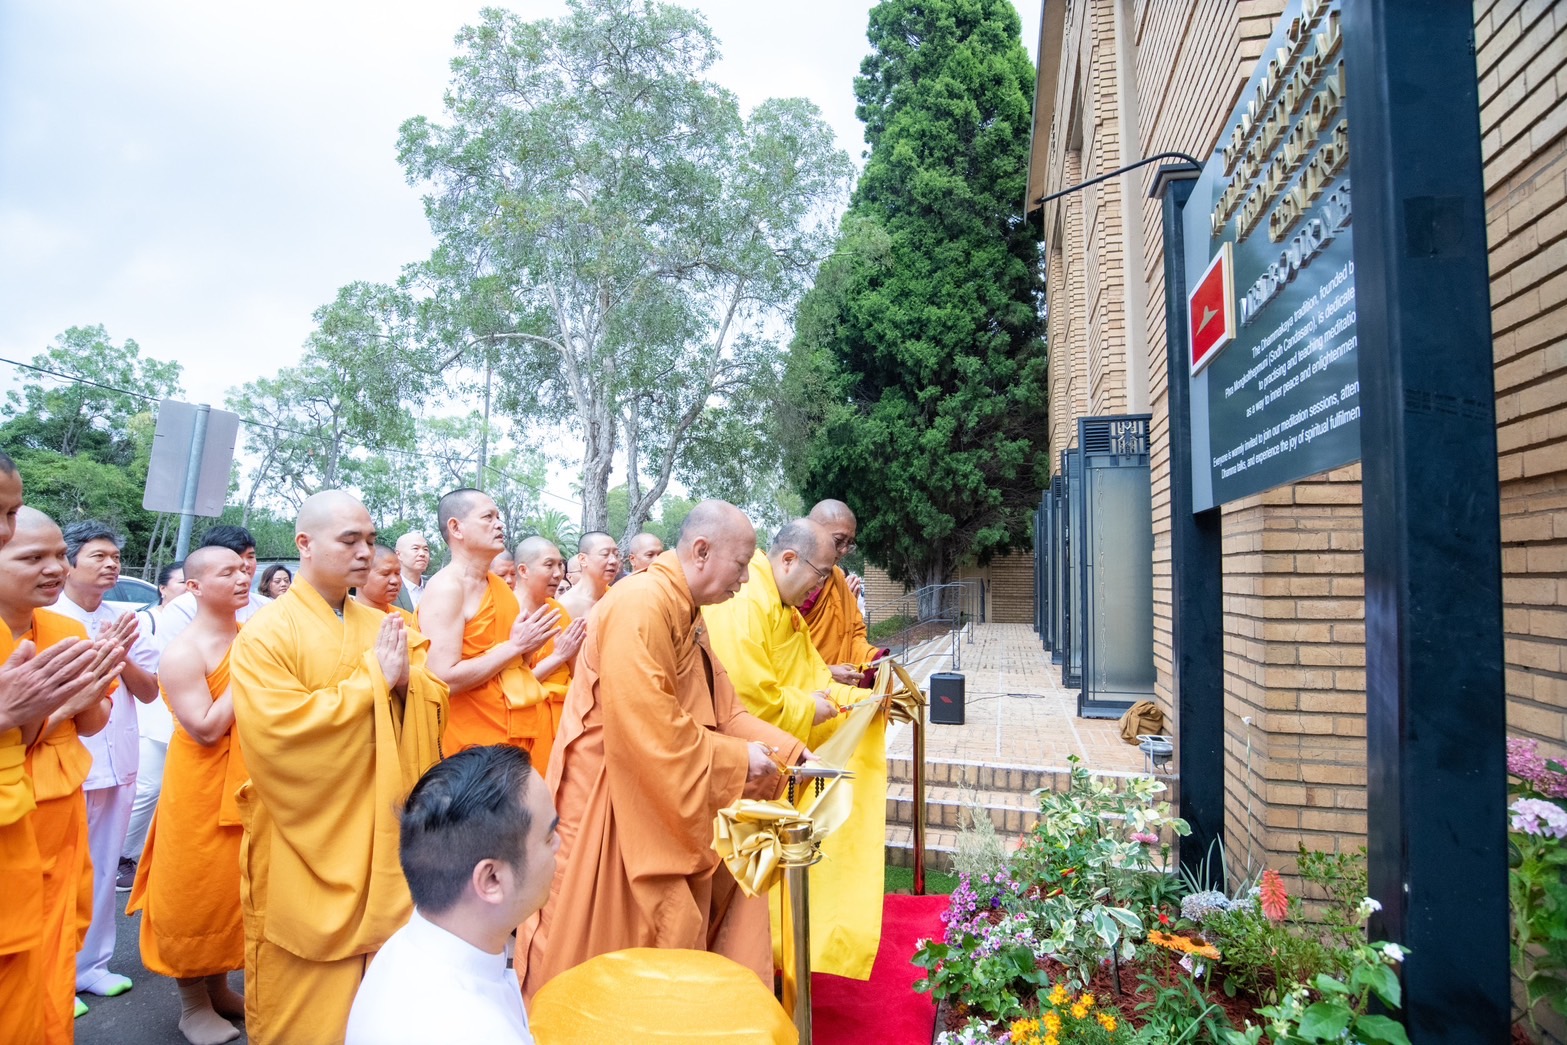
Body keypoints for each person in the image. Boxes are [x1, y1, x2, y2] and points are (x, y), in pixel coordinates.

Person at [519, 500, 808, 997]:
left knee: (659, 951)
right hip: (610, 806)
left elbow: (727, 711)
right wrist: (741, 763)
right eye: (741, 565)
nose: (745, 579)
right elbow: (648, 728)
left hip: (658, 795)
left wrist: (794, 756)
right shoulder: (642, 604)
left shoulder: (686, 610)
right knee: (596, 954)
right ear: (701, 551)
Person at [230, 490, 449, 1045]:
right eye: (349, 540)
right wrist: (375, 681)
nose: (364, 553)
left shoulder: (381, 622)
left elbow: (428, 693)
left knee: (389, 1007)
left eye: (370, 540)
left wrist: (404, 684)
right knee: (309, 1010)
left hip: (381, 829)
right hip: (307, 839)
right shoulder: (266, 634)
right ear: (304, 543)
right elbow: (282, 734)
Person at [702, 517, 889, 980]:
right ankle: (745, 978)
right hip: (744, 764)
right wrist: (815, 707)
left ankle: (774, 963)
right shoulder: (747, 603)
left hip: (778, 759)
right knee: (741, 893)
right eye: (822, 574)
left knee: (767, 890)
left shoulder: (782, 606)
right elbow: (751, 697)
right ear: (788, 559)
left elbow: (815, 679)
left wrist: (863, 702)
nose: (823, 586)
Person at [0, 460, 127, 1045]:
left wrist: (93, 685)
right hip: (15, 808)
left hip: (62, 803)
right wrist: (46, 708)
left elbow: (92, 722)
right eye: (32, 558)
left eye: (57, 555)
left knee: (52, 951)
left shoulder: (64, 631)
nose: (53, 569)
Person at [346, 745, 557, 1045]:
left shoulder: (403, 949)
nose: (559, 844)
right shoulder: (476, 1031)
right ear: (492, 879)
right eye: (549, 836)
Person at [125, 546, 251, 1045]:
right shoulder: (183, 651)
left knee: (231, 886)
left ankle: (219, 987)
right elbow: (203, 728)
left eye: (244, 570)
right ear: (195, 586)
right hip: (198, 785)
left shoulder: (248, 636)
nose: (242, 578)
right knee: (193, 890)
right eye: (228, 572)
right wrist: (248, 670)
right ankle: (191, 1002)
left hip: (247, 782)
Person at [50, 522, 162, 1004]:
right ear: (68, 562)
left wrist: (118, 652)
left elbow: (150, 689)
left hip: (118, 760)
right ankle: (52, 973)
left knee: (99, 870)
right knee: (59, 872)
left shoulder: (126, 618)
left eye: (115, 555)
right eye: (98, 555)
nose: (111, 563)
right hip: (66, 762)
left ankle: (91, 965)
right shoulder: (47, 616)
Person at [420, 491, 559, 756]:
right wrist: (516, 646)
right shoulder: (447, 587)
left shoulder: (499, 588)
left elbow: (515, 665)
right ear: (456, 527)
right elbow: (442, 678)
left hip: (513, 729)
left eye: (498, 517)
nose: (499, 524)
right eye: (488, 517)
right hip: (470, 743)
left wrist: (527, 647)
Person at [511, 537, 585, 773]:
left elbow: (576, 670)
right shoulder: (508, 611)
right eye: (549, 565)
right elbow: (512, 685)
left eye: (560, 565)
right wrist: (557, 657)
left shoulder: (558, 609)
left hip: (566, 718)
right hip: (529, 723)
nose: (558, 574)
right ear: (523, 570)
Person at [801, 500, 887, 687]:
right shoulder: (786, 578)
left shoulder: (838, 578)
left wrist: (873, 659)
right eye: (838, 541)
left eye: (850, 543)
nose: (844, 550)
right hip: (798, 688)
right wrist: (825, 671)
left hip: (837, 686)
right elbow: (780, 648)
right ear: (811, 531)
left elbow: (854, 632)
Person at [158, 527, 272, 644]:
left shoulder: (266, 607)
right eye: (235, 556)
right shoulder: (182, 609)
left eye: (251, 556)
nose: (246, 564)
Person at [554, 531, 619, 622]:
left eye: (616, 555)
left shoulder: (617, 596)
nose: (614, 561)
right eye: (605, 554)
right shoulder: (567, 605)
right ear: (583, 559)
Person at [354, 545, 415, 627]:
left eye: (397, 573)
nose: (395, 581)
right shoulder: (344, 617)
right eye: (385, 574)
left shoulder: (406, 619)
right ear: (360, 576)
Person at [392, 531, 431, 613]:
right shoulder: (390, 588)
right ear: (398, 555)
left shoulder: (435, 585)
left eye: (426, 549)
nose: (422, 554)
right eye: (415, 548)